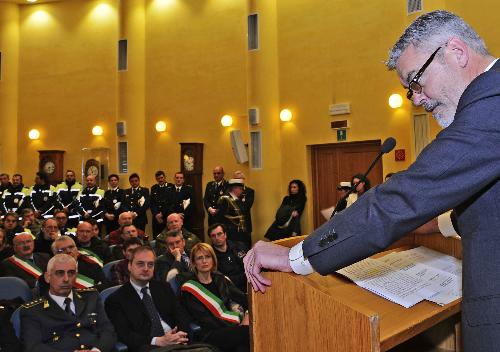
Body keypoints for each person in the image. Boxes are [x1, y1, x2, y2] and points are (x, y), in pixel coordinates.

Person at [244, 10, 499, 352]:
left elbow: (406, 196)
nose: (418, 99)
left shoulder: (491, 103)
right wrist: (443, 224)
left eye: (416, 81)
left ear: (456, 51)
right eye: (410, 91)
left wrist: (295, 256)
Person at [20, 254, 116, 351]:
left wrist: (96, 350)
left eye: (71, 273)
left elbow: (107, 330)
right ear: (47, 277)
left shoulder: (91, 297)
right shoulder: (33, 310)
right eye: (60, 273)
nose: (66, 279)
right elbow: (34, 346)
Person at [105, 246, 192, 352]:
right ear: (129, 266)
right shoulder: (115, 300)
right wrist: (158, 341)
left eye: (150, 264)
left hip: (177, 343)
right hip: (148, 347)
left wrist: (179, 335)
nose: (146, 268)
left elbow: (181, 316)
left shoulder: (164, 287)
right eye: (140, 264)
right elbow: (125, 334)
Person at [179, 243, 249, 352]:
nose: (204, 261)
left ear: (213, 259)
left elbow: (243, 299)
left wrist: (247, 315)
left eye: (207, 257)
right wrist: (238, 326)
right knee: (246, 333)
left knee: (242, 347)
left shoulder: (220, 279)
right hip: (208, 333)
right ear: (193, 263)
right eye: (199, 258)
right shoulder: (189, 288)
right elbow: (206, 320)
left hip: (229, 328)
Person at [208, 223, 247, 293]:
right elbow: (223, 280)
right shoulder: (210, 256)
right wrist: (245, 277)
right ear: (210, 238)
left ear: (225, 235)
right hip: (230, 291)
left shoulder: (240, 246)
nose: (217, 238)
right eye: (213, 236)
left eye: (219, 234)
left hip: (249, 285)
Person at [216, 179, 250, 248]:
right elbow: (220, 217)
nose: (242, 191)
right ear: (234, 188)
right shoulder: (224, 199)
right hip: (231, 234)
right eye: (240, 189)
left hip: (240, 233)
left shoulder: (238, 199)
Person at [233, 171, 255, 243]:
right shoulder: (229, 191)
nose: (238, 181)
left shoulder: (249, 191)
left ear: (243, 180)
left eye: (239, 179)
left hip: (245, 224)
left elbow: (246, 207)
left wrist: (237, 196)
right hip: (233, 225)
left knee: (246, 247)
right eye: (236, 179)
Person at [150, 170, 172, 238]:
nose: (160, 180)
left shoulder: (171, 187)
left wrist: (162, 214)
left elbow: (170, 202)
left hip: (166, 216)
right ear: (156, 179)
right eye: (158, 178)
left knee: (168, 236)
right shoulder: (154, 188)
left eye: (161, 178)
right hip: (156, 217)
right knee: (156, 236)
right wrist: (156, 214)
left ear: (165, 177)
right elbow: (152, 203)